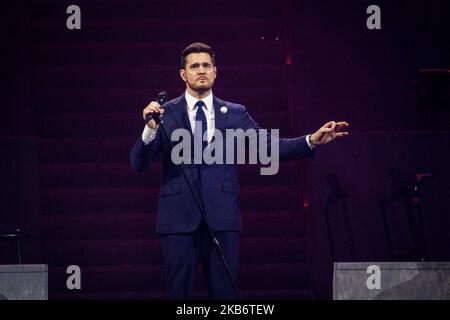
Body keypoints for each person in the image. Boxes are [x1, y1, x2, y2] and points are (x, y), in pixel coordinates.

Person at [130, 42, 349, 299]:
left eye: (206, 65)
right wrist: (150, 128)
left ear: (215, 71)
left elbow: (269, 146)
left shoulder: (235, 113)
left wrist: (310, 140)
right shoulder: (165, 113)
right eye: (194, 66)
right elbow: (139, 164)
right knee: (179, 295)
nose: (201, 70)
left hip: (222, 216)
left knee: (226, 296)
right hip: (178, 218)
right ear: (183, 74)